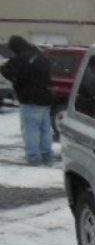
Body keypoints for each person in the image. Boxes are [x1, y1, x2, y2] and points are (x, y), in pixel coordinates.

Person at [0, 36, 56, 165]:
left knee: (31, 130)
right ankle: (47, 154)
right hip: (45, 98)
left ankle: (33, 157)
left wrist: (3, 69)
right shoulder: (39, 55)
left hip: (29, 99)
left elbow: (13, 74)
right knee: (45, 129)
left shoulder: (21, 59)